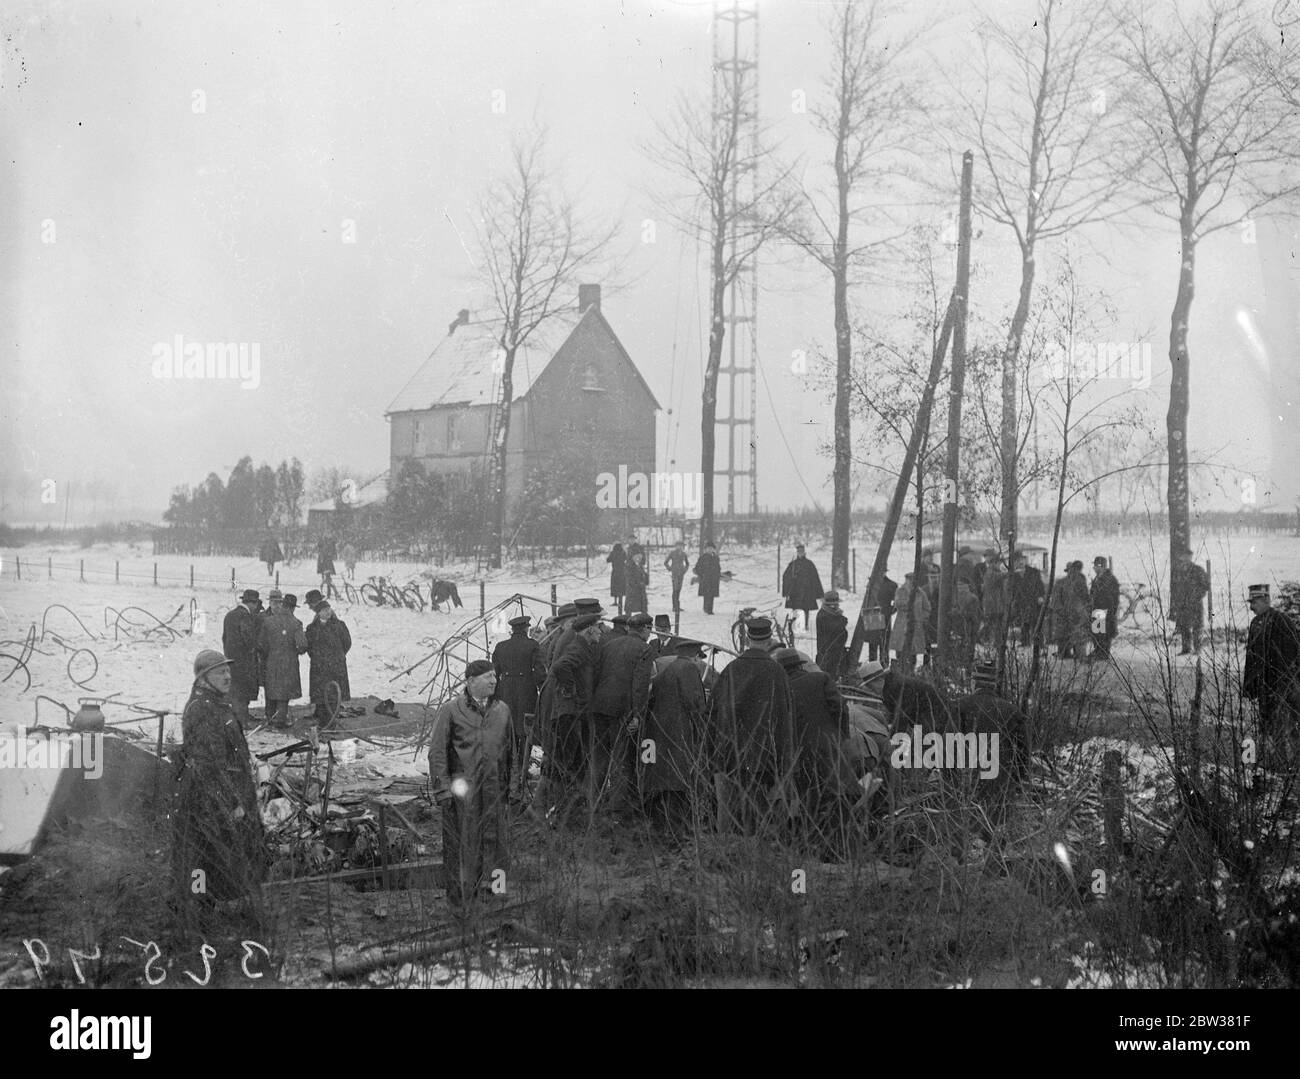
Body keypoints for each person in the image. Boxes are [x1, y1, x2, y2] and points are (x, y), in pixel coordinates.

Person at [172, 650, 265, 908]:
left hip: (225, 794)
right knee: (205, 856)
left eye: (227, 671)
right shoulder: (202, 709)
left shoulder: (217, 704)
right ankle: (201, 909)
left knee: (224, 856)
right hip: (210, 800)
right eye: (220, 672)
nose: (227, 676)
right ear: (203, 678)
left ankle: (218, 906)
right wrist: (232, 803)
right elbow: (210, 764)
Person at [428, 660, 511, 909]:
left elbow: (511, 752)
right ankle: (462, 898)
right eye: (487, 677)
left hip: (495, 790)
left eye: (495, 676)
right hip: (463, 793)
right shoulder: (451, 711)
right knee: (463, 846)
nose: (494, 681)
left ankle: (498, 893)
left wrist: (514, 787)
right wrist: (442, 789)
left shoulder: (503, 710)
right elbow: (437, 753)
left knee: (498, 847)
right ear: (470, 681)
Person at [706, 617, 796, 835]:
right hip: (766, 756)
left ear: (747, 639)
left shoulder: (731, 669)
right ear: (769, 640)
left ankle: (732, 851)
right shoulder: (776, 672)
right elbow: (785, 717)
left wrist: (715, 752)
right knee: (760, 810)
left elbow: (713, 712)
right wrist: (785, 758)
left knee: (732, 811)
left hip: (731, 754)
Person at [774, 647, 849, 856]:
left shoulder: (781, 689)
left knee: (809, 799)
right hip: (829, 746)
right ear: (800, 665)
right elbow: (840, 707)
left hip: (801, 753)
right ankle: (840, 846)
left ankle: (815, 847)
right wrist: (841, 735)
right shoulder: (821, 678)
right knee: (835, 795)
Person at [588, 611, 653, 815]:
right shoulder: (645, 649)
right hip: (622, 711)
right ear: (645, 629)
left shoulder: (609, 645)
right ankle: (616, 812)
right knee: (621, 760)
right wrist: (637, 715)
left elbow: (597, 675)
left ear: (628, 628)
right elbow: (639, 685)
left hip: (599, 707)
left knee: (598, 759)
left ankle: (592, 806)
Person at [539, 613, 603, 817]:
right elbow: (560, 666)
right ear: (589, 630)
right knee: (566, 762)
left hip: (573, 713)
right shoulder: (578, 648)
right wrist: (571, 690)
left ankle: (563, 808)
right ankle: (558, 809)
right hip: (570, 714)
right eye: (598, 627)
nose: (600, 631)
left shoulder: (582, 646)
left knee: (572, 762)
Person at [641, 637, 707, 837]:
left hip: (661, 733)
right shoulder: (688, 669)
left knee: (665, 784)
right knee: (678, 784)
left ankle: (662, 830)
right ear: (695, 656)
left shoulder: (669, 669)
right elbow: (694, 704)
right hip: (679, 734)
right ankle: (678, 833)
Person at [1242, 584, 1300, 769]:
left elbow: (1293, 655)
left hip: (1283, 686)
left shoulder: (1281, 621)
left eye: (1255, 602)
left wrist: (1284, 684)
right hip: (1264, 687)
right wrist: (1249, 688)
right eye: (1251, 602)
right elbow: (1251, 659)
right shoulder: (1255, 624)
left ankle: (1289, 767)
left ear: (1266, 600)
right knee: (1269, 728)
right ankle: (1279, 766)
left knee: (1287, 726)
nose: (1251, 607)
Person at [492, 614, 546, 790]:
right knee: (525, 730)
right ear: (526, 629)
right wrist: (542, 688)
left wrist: (496, 693)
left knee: (508, 730)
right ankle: (522, 769)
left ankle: (507, 769)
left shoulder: (501, 647)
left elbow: (495, 671)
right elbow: (538, 671)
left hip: (505, 690)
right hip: (526, 690)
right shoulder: (532, 645)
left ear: (512, 630)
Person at [257, 590, 308, 728]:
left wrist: (270, 654)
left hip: (271, 661)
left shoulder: (268, 621)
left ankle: (269, 717)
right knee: (284, 691)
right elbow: (303, 645)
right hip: (289, 662)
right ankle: (280, 720)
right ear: (292, 608)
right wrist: (295, 652)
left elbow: (261, 644)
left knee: (271, 688)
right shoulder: (296, 623)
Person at [306, 601, 352, 728]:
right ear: (318, 613)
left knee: (334, 696)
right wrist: (317, 658)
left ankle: (332, 724)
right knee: (320, 697)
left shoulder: (339, 626)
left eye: (328, 609)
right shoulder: (312, 628)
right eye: (324, 610)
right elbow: (309, 647)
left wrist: (338, 656)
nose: (328, 612)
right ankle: (322, 723)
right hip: (319, 668)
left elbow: (347, 643)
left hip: (336, 667)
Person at [222, 589, 262, 726]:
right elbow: (248, 638)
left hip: (230, 658)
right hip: (244, 660)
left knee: (235, 687)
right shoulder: (246, 616)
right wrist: (253, 650)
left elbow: (224, 638)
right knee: (243, 688)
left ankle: (241, 715)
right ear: (254, 603)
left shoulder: (229, 615)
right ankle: (241, 718)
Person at [1171, 547, 1210, 655]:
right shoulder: (1178, 571)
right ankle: (1186, 648)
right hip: (1182, 604)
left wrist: (1197, 595)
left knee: (1197, 627)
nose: (1185, 558)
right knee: (1184, 626)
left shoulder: (1198, 570)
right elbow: (1175, 587)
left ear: (1190, 557)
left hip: (1195, 603)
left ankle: (1197, 649)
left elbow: (1206, 585)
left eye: (1187, 556)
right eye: (1183, 556)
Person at [1051, 562, 1091, 659]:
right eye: (1071, 571)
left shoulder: (1080, 582)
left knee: (1076, 634)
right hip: (1067, 614)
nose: (1072, 573)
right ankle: (1066, 653)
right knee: (1065, 635)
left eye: (1074, 571)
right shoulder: (1061, 583)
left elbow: (1085, 598)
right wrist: (1062, 611)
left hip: (1075, 614)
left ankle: (1077, 654)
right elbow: (1056, 600)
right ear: (1068, 571)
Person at [892, 572, 931, 671]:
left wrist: (921, 617)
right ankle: (900, 670)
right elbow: (897, 604)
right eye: (909, 580)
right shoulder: (900, 591)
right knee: (900, 649)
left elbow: (927, 608)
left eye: (913, 580)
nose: (911, 582)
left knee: (913, 651)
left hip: (916, 625)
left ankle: (911, 671)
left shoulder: (920, 592)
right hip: (902, 625)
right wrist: (909, 605)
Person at [782, 543, 825, 630]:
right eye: (799, 551)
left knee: (805, 609)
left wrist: (820, 594)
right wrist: (787, 591)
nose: (800, 553)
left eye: (802, 551)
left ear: (804, 552)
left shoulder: (809, 564)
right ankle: (796, 626)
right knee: (796, 609)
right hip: (795, 592)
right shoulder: (793, 564)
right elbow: (785, 577)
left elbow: (815, 578)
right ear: (797, 552)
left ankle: (805, 625)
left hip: (807, 591)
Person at [1009, 556, 1046, 646]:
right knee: (1024, 623)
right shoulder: (1015, 575)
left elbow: (1040, 585)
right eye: (1018, 560)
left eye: (1022, 560)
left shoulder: (1034, 572)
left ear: (1025, 561)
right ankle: (1025, 642)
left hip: (1034, 601)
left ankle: (1039, 643)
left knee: (1036, 622)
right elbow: (1013, 589)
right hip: (1022, 602)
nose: (1020, 562)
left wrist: (1041, 596)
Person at [1089, 556, 1120, 661]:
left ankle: (1103, 653)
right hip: (1097, 610)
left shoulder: (1109, 579)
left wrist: (1109, 610)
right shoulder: (1098, 578)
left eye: (1095, 565)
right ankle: (1097, 650)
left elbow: (1113, 597)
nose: (1093, 568)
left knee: (1104, 633)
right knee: (1096, 632)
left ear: (1100, 566)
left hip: (1104, 610)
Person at [862, 573, 897, 663]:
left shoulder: (891, 585)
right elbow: (867, 600)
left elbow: (897, 602)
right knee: (873, 645)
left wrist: (889, 611)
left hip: (884, 617)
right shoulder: (871, 583)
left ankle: (884, 665)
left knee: (884, 645)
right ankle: (873, 667)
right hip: (873, 615)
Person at [815, 591, 848, 680]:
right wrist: (841, 617)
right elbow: (838, 626)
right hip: (828, 654)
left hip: (834, 652)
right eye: (835, 605)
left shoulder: (830, 614)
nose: (837, 606)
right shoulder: (824, 616)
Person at [981, 551, 1007, 647]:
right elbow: (1000, 577)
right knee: (993, 623)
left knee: (995, 623)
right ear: (994, 563)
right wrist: (1011, 572)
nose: (1000, 565)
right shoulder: (991, 573)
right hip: (993, 603)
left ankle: (995, 641)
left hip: (994, 603)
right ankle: (985, 638)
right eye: (999, 563)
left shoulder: (993, 572)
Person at [694, 542, 722, 615]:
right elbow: (697, 568)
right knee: (706, 595)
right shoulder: (703, 558)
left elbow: (718, 568)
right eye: (708, 548)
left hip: (714, 580)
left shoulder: (716, 558)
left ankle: (710, 609)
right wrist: (702, 575)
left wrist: (718, 575)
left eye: (711, 548)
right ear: (705, 549)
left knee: (712, 595)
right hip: (705, 579)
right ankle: (706, 608)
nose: (710, 550)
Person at [664, 540, 690, 613]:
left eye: (681, 546)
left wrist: (684, 570)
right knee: (675, 590)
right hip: (675, 574)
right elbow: (665, 562)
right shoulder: (672, 553)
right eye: (678, 545)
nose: (680, 547)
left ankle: (677, 606)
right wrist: (670, 569)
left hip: (681, 574)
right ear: (676, 546)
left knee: (678, 590)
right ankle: (674, 607)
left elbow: (687, 563)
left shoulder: (684, 554)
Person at [625, 550, 649, 614]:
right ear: (632, 557)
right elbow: (629, 578)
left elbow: (643, 576)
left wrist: (646, 579)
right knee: (630, 608)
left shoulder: (640, 566)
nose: (639, 558)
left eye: (640, 556)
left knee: (643, 608)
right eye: (637, 556)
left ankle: (644, 620)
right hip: (633, 591)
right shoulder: (629, 566)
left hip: (640, 591)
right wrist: (638, 584)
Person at [607, 543, 627, 615]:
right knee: (621, 586)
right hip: (622, 572)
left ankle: (616, 601)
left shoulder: (613, 553)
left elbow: (608, 560)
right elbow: (626, 559)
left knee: (614, 586)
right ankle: (620, 601)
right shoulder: (623, 552)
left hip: (615, 572)